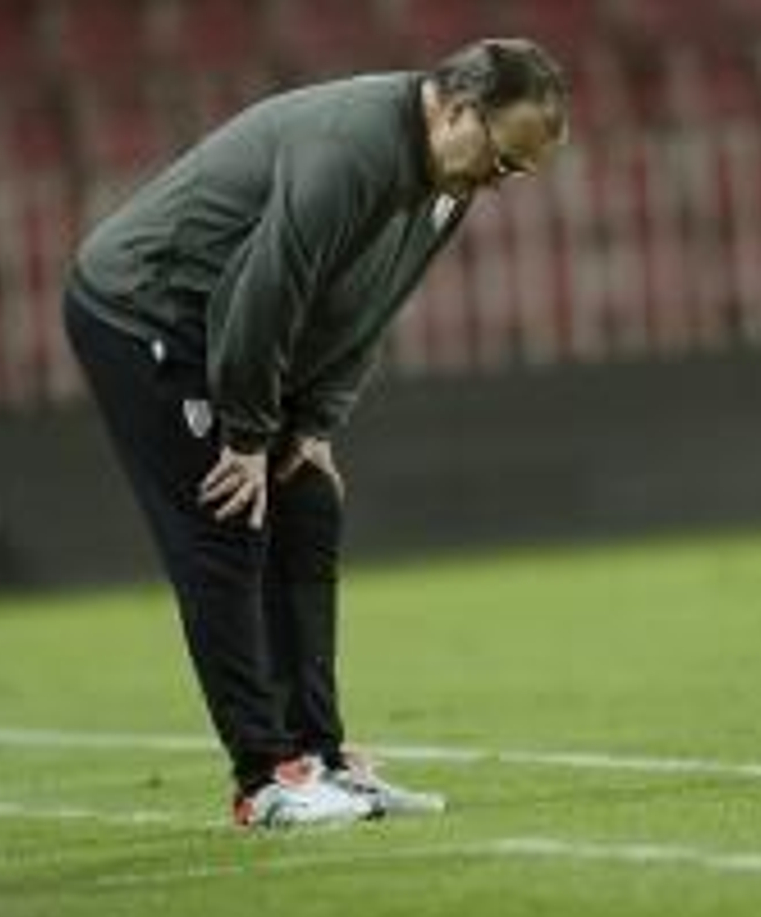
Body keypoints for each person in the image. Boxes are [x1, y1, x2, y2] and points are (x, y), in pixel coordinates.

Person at [62, 39, 569, 829]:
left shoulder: (450, 176)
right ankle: (264, 778)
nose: (499, 182)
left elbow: (371, 303)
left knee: (307, 506)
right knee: (228, 519)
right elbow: (265, 290)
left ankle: (318, 756)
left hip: (231, 324)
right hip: (145, 307)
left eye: (518, 173)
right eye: (502, 160)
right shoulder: (352, 150)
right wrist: (247, 438)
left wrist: (315, 425)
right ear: (458, 110)